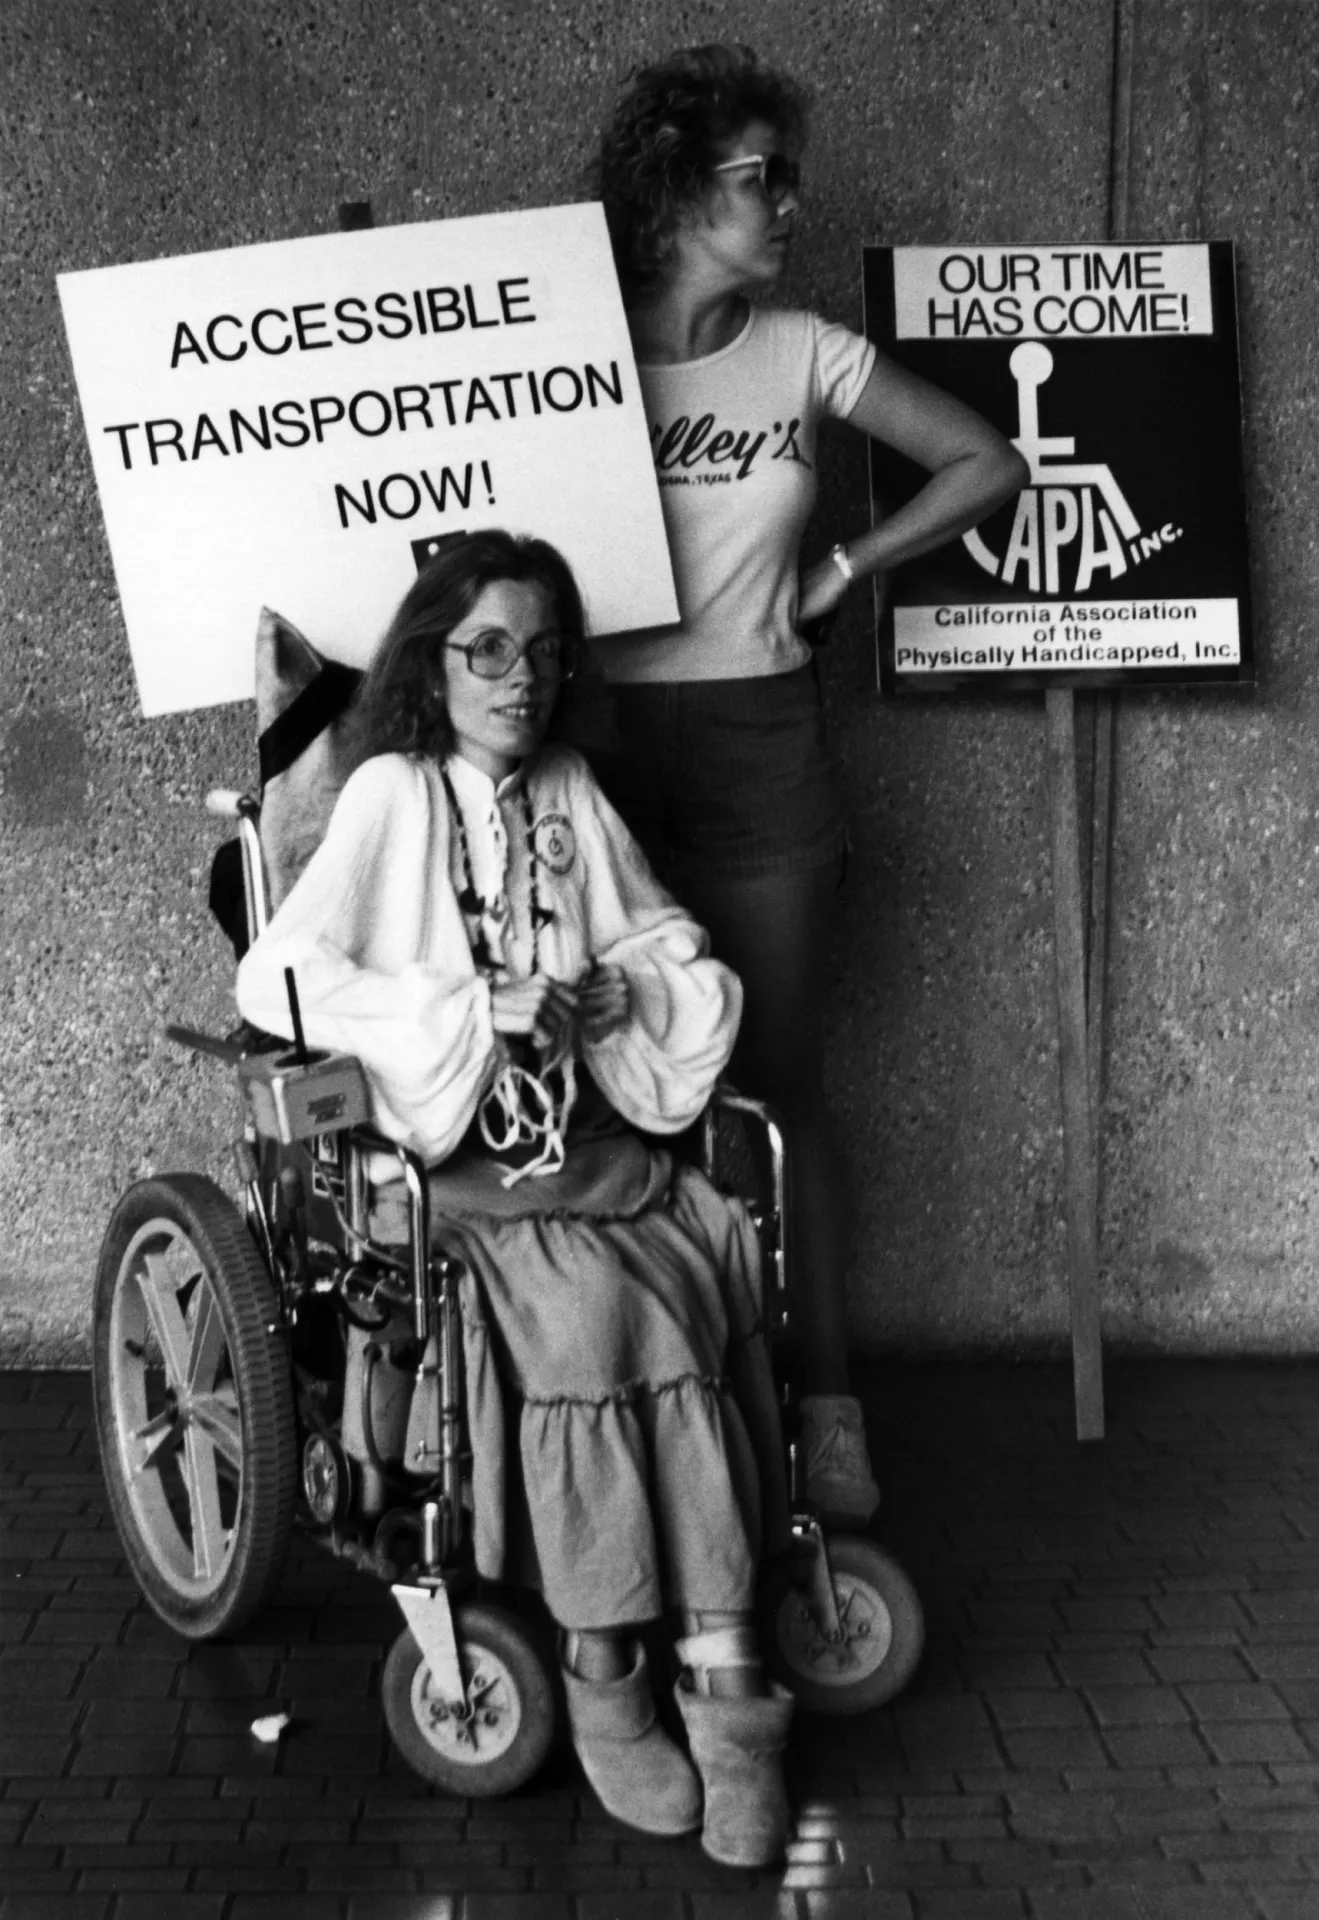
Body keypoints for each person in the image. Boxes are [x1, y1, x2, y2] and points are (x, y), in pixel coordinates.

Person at [235, 530, 793, 1869]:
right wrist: (462, 1004)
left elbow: (669, 944)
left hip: (586, 1151)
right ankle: (608, 1669)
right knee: (611, 1312)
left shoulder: (574, 793)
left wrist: (624, 993)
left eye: (542, 651)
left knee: (699, 1260)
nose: (519, 677)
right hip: (462, 1177)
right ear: (436, 660)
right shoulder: (389, 796)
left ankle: (727, 1690)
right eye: (487, 649)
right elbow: (276, 981)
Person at [590, 44, 1029, 1523]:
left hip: (767, 742)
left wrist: (843, 563)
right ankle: (664, 1414)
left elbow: (986, 462)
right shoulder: (564, 353)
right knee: (613, 1099)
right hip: (595, 757)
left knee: (779, 1093)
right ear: (668, 192)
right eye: (756, 176)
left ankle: (829, 1413)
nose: (787, 203)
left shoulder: (805, 353)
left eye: (789, 174)